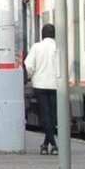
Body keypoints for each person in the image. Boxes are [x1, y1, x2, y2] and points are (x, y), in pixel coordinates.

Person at [23, 24, 60, 155]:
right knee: (52, 115)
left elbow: (28, 65)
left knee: (45, 116)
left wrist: (31, 76)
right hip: (55, 86)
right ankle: (46, 144)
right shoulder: (58, 48)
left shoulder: (36, 47)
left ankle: (53, 145)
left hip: (40, 85)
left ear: (42, 34)